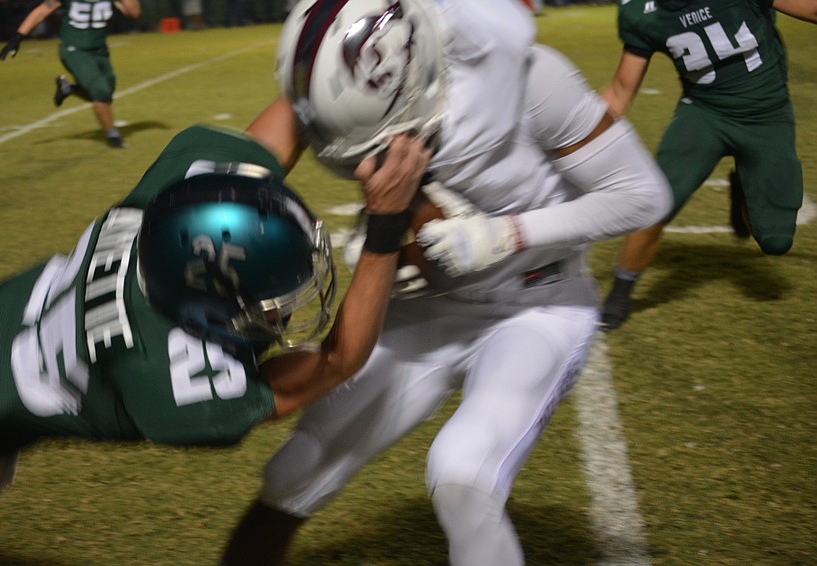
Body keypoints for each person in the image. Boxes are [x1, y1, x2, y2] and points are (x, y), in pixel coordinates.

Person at [219, 0, 673, 564]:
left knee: (463, 476)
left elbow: (643, 196)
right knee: (294, 470)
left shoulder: (530, 79)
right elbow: (240, 165)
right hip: (422, 306)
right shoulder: (343, 83)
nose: (363, 164)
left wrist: (507, 234)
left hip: (536, 305)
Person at [0, 123, 429, 564]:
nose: (280, 314)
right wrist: (386, 227)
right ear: (202, 310)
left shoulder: (164, 215)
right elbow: (337, 360)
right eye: (271, 303)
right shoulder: (175, 381)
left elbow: (290, 116)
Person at [598, 0, 817, 331]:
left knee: (775, 241)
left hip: (766, 114)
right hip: (704, 113)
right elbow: (620, 90)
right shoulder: (641, 11)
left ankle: (742, 189)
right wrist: (572, 133)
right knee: (658, 199)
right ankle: (621, 290)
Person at [0, 0, 141, 149]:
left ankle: (68, 89)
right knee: (100, 92)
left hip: (100, 51)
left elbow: (134, 13)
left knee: (106, 95)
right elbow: (42, 11)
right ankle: (113, 136)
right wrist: (18, 36)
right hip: (74, 50)